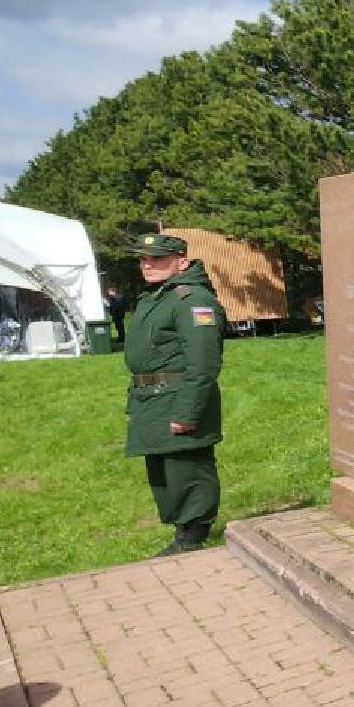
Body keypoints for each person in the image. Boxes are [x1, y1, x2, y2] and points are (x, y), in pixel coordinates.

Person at [123, 233, 227, 557]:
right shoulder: (155, 297)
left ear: (182, 261)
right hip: (152, 398)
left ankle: (194, 532)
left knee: (186, 467)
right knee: (164, 469)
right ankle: (183, 530)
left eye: (157, 258)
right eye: (143, 259)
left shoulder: (192, 300)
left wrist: (187, 412)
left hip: (176, 397)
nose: (147, 264)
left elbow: (203, 363)